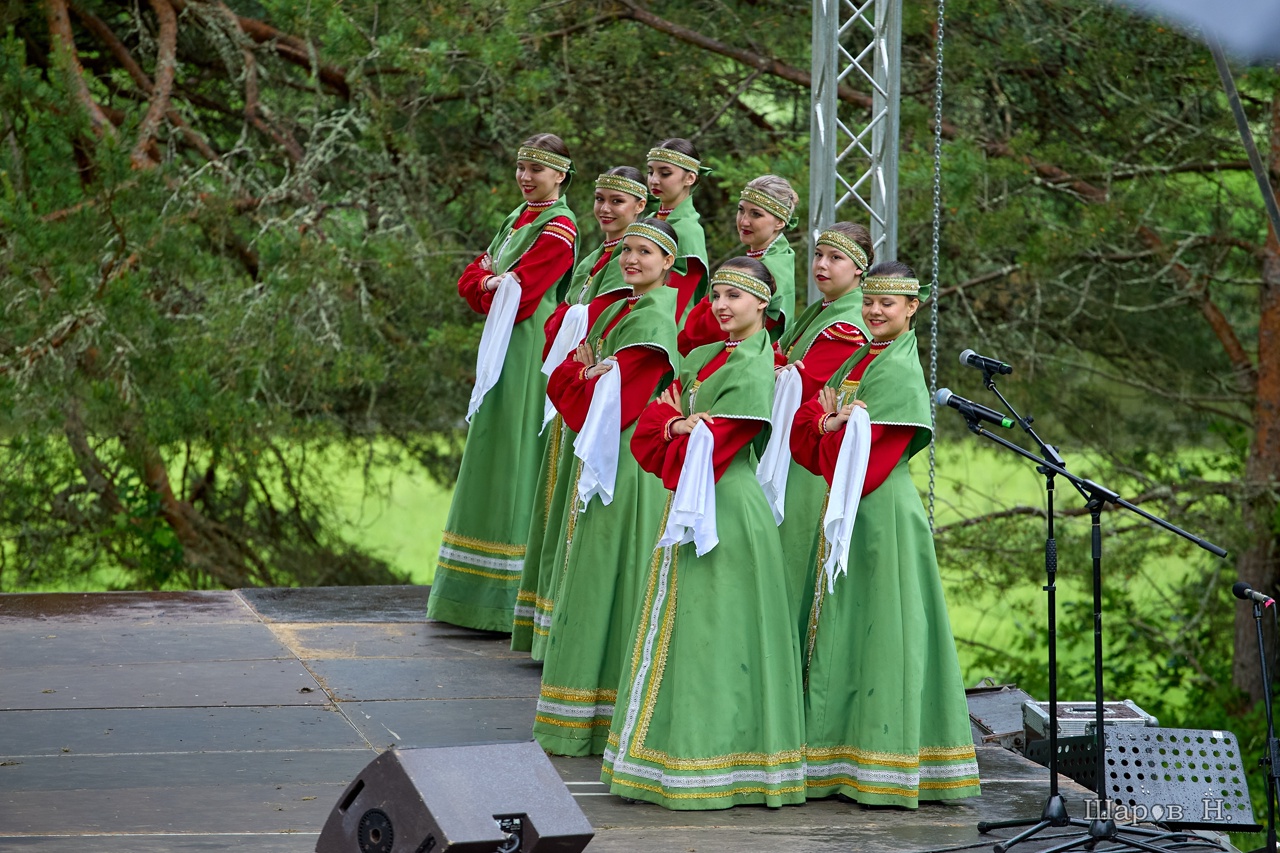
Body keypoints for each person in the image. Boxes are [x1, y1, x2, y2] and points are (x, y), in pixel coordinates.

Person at [601, 257, 805, 810]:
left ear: (763, 303)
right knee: (690, 627)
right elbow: (648, 431)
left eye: (734, 296)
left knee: (717, 630)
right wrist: (675, 424)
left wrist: (676, 426)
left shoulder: (756, 365)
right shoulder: (704, 357)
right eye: (716, 295)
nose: (720, 305)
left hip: (728, 509)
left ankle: (716, 763)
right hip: (695, 501)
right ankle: (674, 754)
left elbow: (711, 448)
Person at [789, 261, 981, 808]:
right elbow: (804, 434)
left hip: (880, 513)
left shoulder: (897, 369)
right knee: (846, 626)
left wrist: (830, 425)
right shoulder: (860, 357)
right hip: (847, 506)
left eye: (887, 303)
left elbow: (865, 462)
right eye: (869, 301)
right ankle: (834, 756)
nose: (874, 311)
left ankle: (879, 763)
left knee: (881, 629)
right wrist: (832, 424)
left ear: (912, 308)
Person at [533, 219, 681, 756]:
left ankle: (609, 702)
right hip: (604, 445)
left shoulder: (655, 316)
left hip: (626, 458)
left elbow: (616, 393)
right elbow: (566, 374)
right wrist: (586, 373)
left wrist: (589, 373)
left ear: (668, 262)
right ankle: (585, 704)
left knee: (613, 564)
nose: (631, 259)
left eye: (645, 252)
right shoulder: (618, 307)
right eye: (627, 251)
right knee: (595, 562)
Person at [427, 133, 578, 632]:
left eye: (537, 169)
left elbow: (522, 294)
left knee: (512, 450)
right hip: (502, 343)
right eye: (521, 167)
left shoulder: (560, 227)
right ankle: (468, 588)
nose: (525, 177)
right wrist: (491, 279)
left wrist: (492, 279)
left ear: (560, 174)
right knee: (491, 445)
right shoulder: (519, 217)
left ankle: (503, 596)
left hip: (526, 345)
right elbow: (470, 282)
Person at [513, 167, 648, 654]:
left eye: (617, 201)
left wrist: (572, 326)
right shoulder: (597, 256)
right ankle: (548, 623)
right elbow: (564, 319)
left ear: (640, 207)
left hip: (596, 396)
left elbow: (586, 322)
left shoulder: (631, 265)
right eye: (600, 199)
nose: (605, 209)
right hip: (575, 381)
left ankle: (570, 633)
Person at [771, 223, 873, 646]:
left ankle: (792, 659)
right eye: (818, 255)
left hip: (810, 456)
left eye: (835, 258)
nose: (822, 265)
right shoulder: (822, 310)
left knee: (794, 559)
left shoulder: (847, 323)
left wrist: (769, 366)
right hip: (795, 442)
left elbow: (809, 386)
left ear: (859, 269)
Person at [678, 175, 799, 353]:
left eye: (756, 214)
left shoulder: (771, 268)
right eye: (741, 210)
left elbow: (708, 331)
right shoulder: (778, 256)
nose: (744, 221)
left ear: (780, 222)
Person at [646, 139, 709, 324]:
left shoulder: (688, 231)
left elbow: (677, 299)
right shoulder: (652, 218)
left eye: (665, 173)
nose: (654, 180)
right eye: (650, 172)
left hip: (662, 326)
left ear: (689, 178)